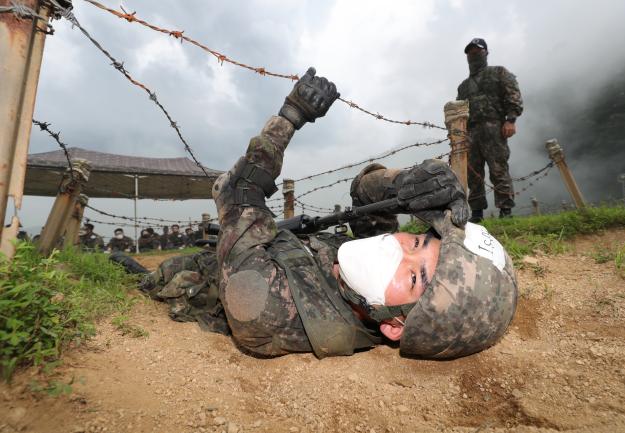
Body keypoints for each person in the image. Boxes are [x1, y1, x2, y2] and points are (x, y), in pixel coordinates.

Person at [119, 68, 517, 360]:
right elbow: (365, 190)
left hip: (196, 273)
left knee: (148, 276)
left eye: (415, 276)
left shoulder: (268, 310)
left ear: (394, 326)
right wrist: (405, 184)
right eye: (416, 241)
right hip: (269, 242)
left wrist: (290, 116)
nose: (400, 251)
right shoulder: (366, 278)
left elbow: (236, 191)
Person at [457, 38, 523, 222]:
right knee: (473, 173)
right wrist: (459, 133)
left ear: (486, 52)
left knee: (498, 169)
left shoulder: (499, 72)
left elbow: (513, 95)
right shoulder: (463, 86)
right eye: (470, 52)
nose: (474, 54)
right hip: (471, 132)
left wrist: (510, 120)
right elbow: (459, 111)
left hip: (494, 127)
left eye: (477, 51)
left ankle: (506, 211)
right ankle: (477, 214)